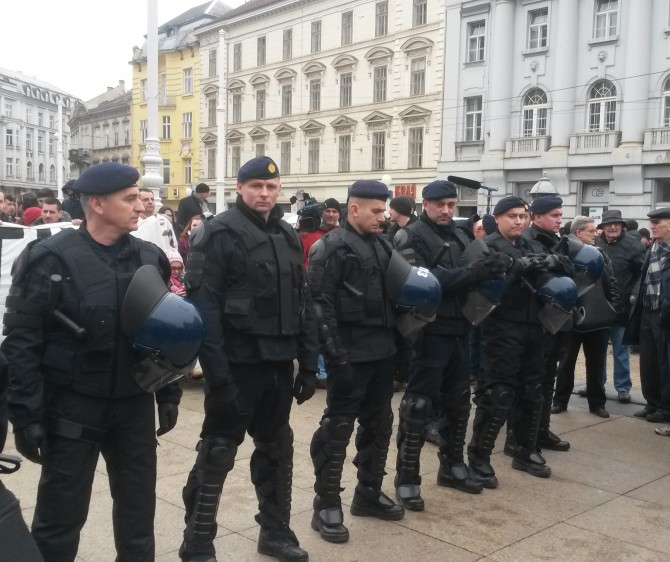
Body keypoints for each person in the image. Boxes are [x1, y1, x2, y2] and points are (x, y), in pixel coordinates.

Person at [1, 161, 182, 561]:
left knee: (138, 520)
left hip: (133, 407)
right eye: (130, 199)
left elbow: (162, 331)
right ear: (97, 204)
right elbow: (23, 341)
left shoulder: (149, 257)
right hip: (72, 409)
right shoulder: (49, 258)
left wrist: (168, 393)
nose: (141, 206)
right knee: (58, 523)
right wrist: (26, 416)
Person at [179, 156, 318, 562]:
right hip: (237, 365)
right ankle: (197, 540)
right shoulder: (216, 233)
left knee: (277, 450)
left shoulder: (287, 234)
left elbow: (303, 301)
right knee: (218, 452)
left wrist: (308, 364)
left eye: (271, 187)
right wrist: (218, 377)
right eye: (256, 186)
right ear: (240, 188)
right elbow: (204, 311)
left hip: (278, 364)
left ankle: (275, 532)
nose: (264, 193)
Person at [392, 180, 509, 510]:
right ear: (425, 204)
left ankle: (452, 465)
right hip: (427, 331)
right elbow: (422, 281)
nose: (446, 210)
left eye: (451, 205)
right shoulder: (409, 235)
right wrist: (474, 273)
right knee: (417, 406)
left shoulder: (460, 234)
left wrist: (499, 265)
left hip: (461, 327)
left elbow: (477, 268)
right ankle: (407, 478)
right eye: (440, 205)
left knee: (458, 403)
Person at [467, 196, 570, 487]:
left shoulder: (531, 243)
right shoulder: (487, 246)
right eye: (512, 216)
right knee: (498, 395)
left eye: (522, 216)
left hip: (534, 326)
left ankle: (525, 450)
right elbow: (484, 282)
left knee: (533, 391)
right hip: (502, 327)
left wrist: (552, 260)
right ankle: (479, 457)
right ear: (497, 218)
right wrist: (515, 268)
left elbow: (567, 264)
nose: (518, 221)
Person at [518, 195, 573, 453]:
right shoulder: (526, 239)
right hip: (536, 318)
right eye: (554, 215)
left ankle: (542, 429)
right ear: (537, 217)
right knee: (533, 380)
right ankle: (525, 434)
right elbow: (533, 271)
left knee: (549, 376)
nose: (559, 220)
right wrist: (554, 262)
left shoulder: (558, 240)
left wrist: (557, 261)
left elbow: (570, 268)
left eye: (560, 215)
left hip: (557, 317)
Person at [552, 217, 620, 418]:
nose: (596, 233)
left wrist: (613, 306)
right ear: (578, 233)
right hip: (572, 318)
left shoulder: (600, 254)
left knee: (597, 364)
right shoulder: (565, 254)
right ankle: (560, 401)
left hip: (599, 317)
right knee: (566, 363)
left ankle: (597, 404)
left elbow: (611, 281)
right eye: (591, 230)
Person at [595, 210, 646, 403]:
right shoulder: (597, 244)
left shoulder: (633, 245)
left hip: (622, 308)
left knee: (621, 351)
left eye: (617, 224)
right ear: (603, 227)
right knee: (597, 351)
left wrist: (634, 293)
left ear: (623, 226)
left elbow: (642, 273)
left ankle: (623, 387)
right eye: (609, 224)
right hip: (599, 308)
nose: (613, 227)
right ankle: (596, 384)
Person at [625, 207, 670, 423]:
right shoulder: (653, 247)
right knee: (648, 361)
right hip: (647, 311)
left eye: (657, 222)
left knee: (664, 363)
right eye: (652, 223)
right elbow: (643, 278)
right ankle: (651, 403)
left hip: (665, 314)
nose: (652, 226)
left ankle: (665, 408)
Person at [299, 198, 340, 268]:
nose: (331, 215)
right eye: (328, 211)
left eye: (334, 212)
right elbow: (300, 261)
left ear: (339, 215)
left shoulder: (343, 235)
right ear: (322, 213)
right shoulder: (308, 234)